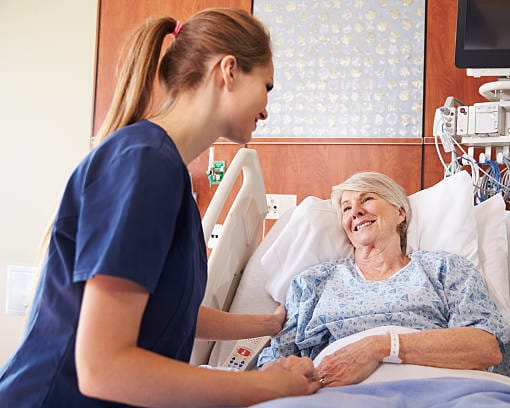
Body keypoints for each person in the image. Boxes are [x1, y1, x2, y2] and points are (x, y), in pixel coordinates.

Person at [0, 8, 319, 407]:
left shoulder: (164, 171)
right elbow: (104, 369)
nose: (267, 109)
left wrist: (268, 324)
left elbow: (165, 308)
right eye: (267, 86)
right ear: (229, 71)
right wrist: (269, 386)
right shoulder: (144, 164)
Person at [258, 171, 510, 387]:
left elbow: (486, 348)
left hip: (438, 390)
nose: (355, 212)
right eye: (346, 208)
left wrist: (380, 347)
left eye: (367, 199)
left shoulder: (444, 268)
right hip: (339, 395)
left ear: (400, 213)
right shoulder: (313, 283)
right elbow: (278, 364)